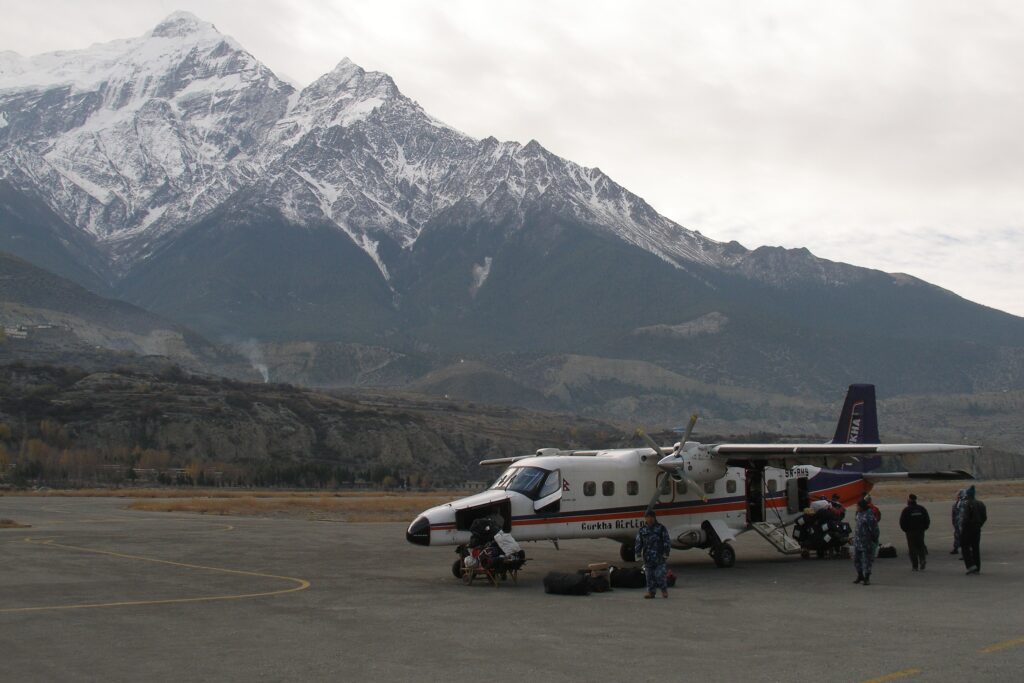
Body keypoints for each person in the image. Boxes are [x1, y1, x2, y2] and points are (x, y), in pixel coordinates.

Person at [635, 510, 671, 598]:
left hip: (659, 557)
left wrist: (666, 552)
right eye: (648, 517)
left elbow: (666, 540)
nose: (650, 519)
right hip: (648, 557)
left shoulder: (661, 528)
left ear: (654, 518)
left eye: (651, 517)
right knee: (649, 576)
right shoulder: (642, 530)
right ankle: (651, 592)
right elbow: (639, 542)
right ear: (645, 518)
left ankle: (664, 590)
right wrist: (638, 553)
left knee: (660, 575)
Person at [959, 485, 987, 575]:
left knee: (964, 546)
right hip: (977, 528)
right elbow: (984, 517)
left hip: (968, 528)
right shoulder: (981, 503)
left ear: (968, 495)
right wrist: (979, 525)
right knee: (975, 548)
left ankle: (970, 565)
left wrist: (963, 526)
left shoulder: (967, 504)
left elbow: (966, 517)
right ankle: (977, 567)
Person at [899, 494, 931, 571]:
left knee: (912, 549)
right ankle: (922, 559)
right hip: (920, 531)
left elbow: (902, 522)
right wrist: (924, 528)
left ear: (909, 500)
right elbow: (927, 520)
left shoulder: (906, 510)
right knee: (921, 546)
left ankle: (915, 566)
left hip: (910, 532)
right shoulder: (921, 509)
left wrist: (906, 530)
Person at [853, 498, 880, 585]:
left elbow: (874, 529)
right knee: (856, 559)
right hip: (857, 541)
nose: (857, 507)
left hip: (866, 541)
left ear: (862, 507)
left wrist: (874, 539)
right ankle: (860, 575)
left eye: (858, 506)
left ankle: (867, 577)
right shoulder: (859, 514)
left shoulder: (869, 516)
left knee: (867, 560)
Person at [950, 489, 965, 555]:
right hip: (957, 523)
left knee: (964, 537)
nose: (957, 496)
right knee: (956, 535)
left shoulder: (965, 503)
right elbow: (954, 513)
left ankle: (964, 552)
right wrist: (954, 522)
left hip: (962, 524)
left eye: (959, 495)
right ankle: (956, 548)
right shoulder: (956, 503)